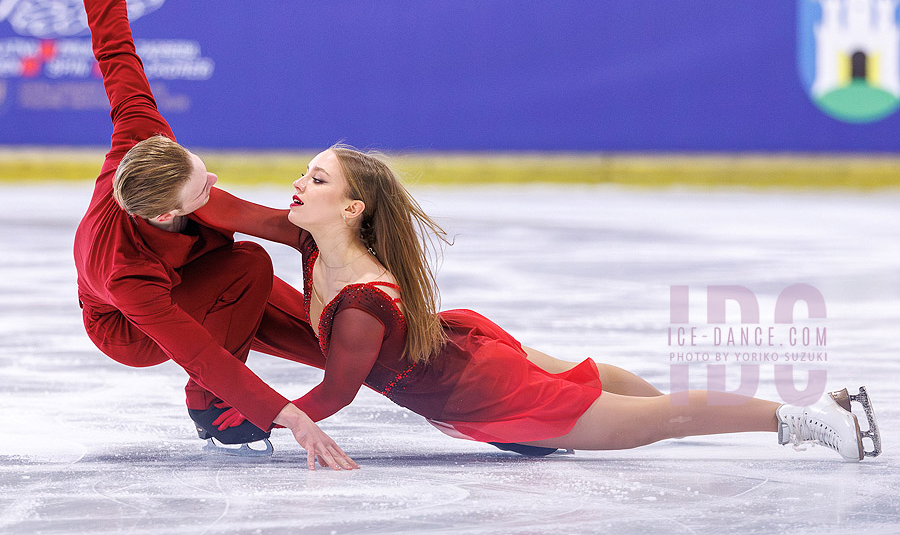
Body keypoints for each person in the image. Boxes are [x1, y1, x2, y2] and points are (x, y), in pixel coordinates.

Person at [195, 145, 881, 462]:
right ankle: (678, 410)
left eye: (314, 178)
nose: (295, 183)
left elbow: (337, 394)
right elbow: (220, 206)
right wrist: (169, 188)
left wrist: (263, 417)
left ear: (351, 207)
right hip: (459, 347)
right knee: (603, 384)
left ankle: (813, 418)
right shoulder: (313, 243)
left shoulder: (359, 307)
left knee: (656, 422)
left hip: (487, 389)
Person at [44, 0, 356, 471]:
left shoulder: (141, 137)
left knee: (266, 262)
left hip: (188, 265)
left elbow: (116, 52)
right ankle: (209, 411)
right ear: (164, 214)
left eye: (196, 165)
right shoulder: (124, 273)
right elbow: (201, 354)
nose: (209, 175)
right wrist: (287, 416)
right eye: (198, 186)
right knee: (246, 268)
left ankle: (380, 335)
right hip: (128, 327)